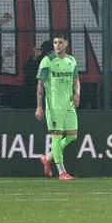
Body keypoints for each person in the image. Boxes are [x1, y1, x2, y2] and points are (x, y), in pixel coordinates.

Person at [35, 32, 80, 180]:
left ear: (66, 44)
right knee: (56, 137)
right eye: (55, 43)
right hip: (53, 106)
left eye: (60, 42)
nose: (57, 45)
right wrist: (39, 106)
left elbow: (76, 80)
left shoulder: (71, 60)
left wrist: (77, 93)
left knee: (72, 136)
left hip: (69, 104)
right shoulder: (47, 61)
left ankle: (47, 158)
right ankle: (62, 172)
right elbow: (40, 85)